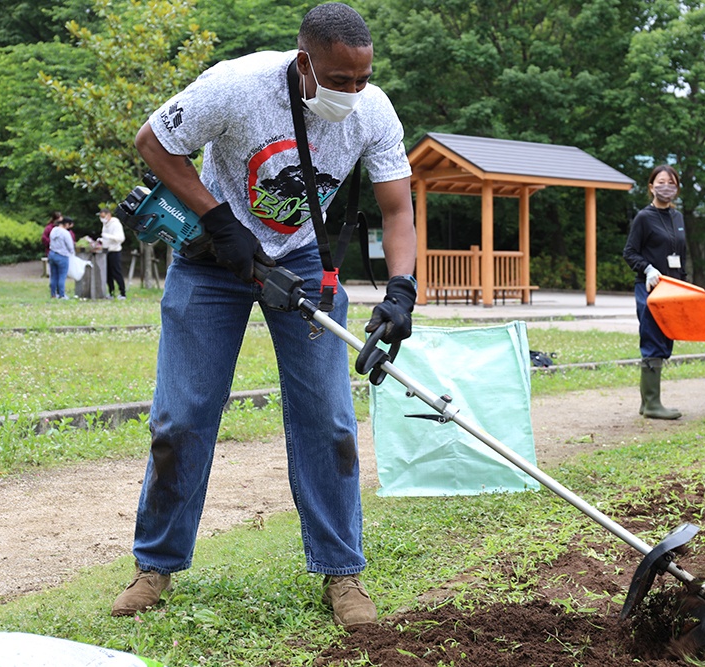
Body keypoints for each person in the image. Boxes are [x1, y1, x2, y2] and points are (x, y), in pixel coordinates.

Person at [111, 3, 417, 628]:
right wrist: (219, 221)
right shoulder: (236, 85)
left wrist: (401, 290)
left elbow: (396, 210)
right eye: (340, 80)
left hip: (305, 262)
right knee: (181, 415)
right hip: (211, 258)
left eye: (363, 79)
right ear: (305, 62)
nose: (353, 92)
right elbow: (153, 142)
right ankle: (156, 565)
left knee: (327, 420)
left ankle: (342, 572)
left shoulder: (374, 111)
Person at [623, 164, 685, 420]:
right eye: (661, 182)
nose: (666, 187)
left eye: (671, 183)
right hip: (650, 288)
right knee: (652, 338)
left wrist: (685, 286)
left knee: (666, 338)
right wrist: (647, 268)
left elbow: (682, 255)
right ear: (651, 186)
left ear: (677, 189)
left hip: (673, 288)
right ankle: (651, 403)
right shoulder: (644, 217)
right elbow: (629, 252)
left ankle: (648, 402)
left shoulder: (678, 217)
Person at [97, 207, 127, 299]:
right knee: (108, 273)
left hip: (115, 251)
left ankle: (122, 293)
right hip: (106, 251)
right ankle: (111, 292)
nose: (102, 219)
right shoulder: (105, 224)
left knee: (116, 272)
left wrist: (108, 237)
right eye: (101, 217)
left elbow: (121, 238)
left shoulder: (115, 224)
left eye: (103, 216)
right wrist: (102, 240)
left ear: (109, 215)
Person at [47, 216, 75, 299]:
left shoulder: (53, 230)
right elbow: (70, 246)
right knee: (62, 276)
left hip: (52, 253)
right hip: (62, 255)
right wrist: (72, 253)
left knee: (53, 276)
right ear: (66, 224)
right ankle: (62, 294)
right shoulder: (65, 233)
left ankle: (53, 294)